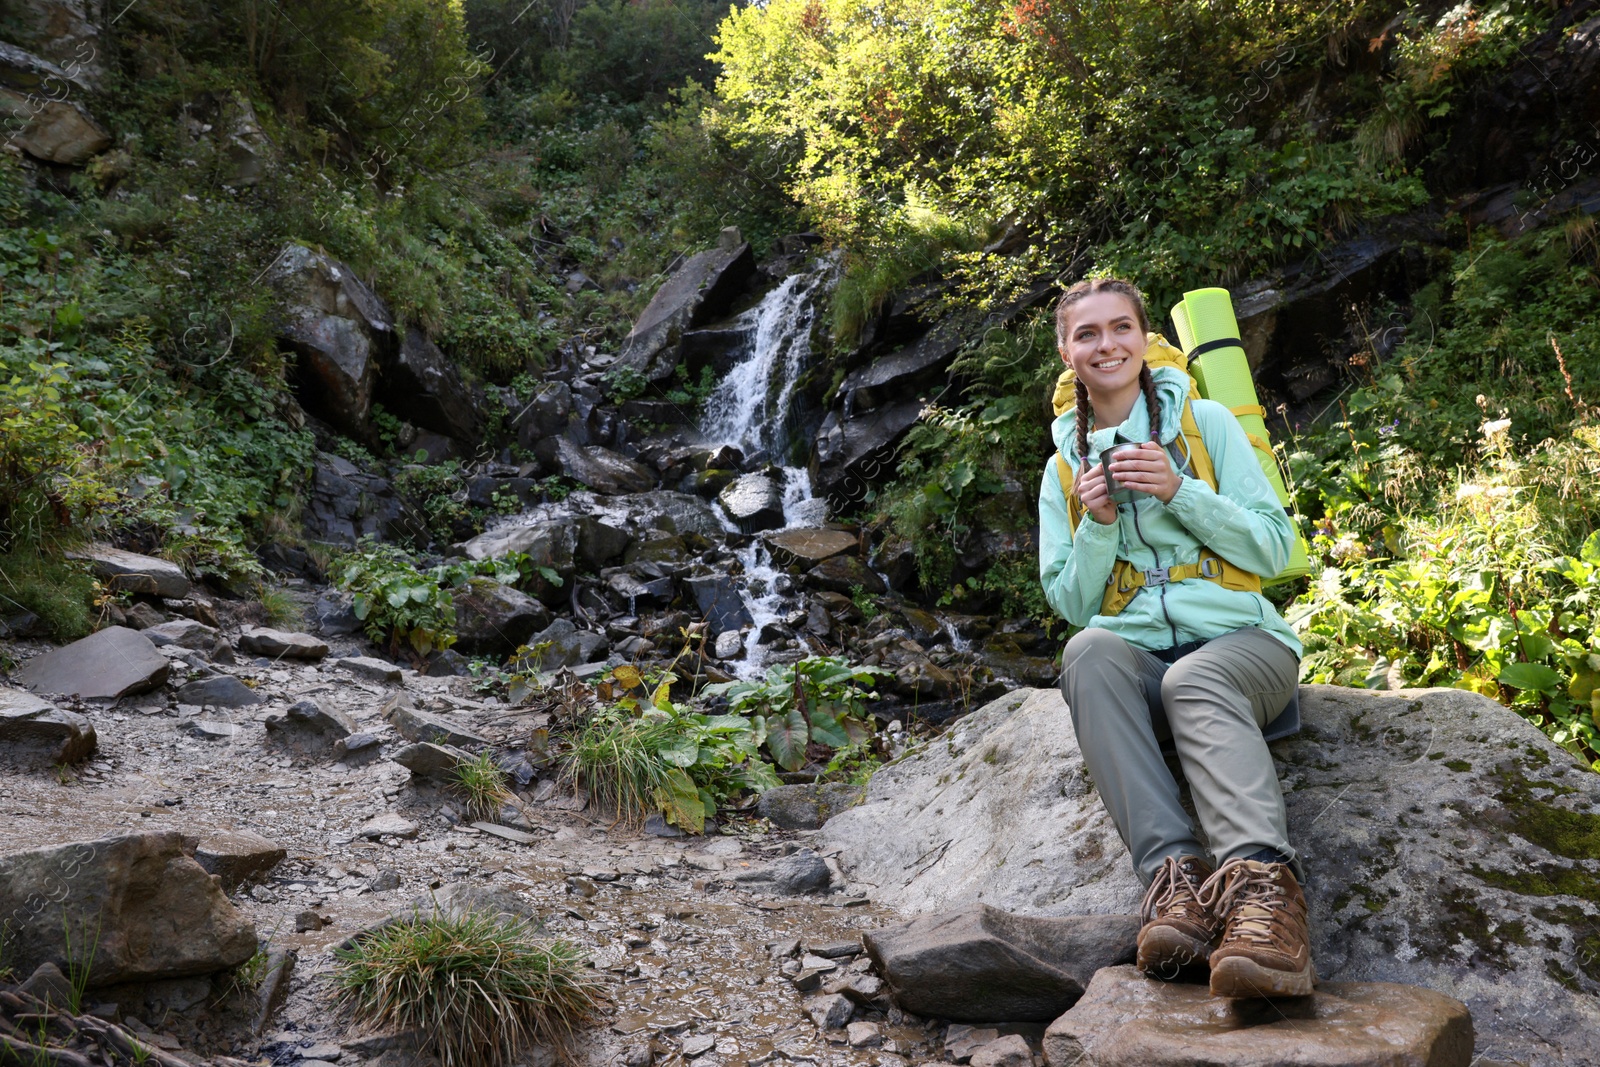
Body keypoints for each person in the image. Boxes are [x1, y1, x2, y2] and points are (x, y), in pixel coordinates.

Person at [1037, 276, 1313, 999]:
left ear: (1144, 336)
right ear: (1067, 350)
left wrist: (1179, 491)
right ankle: (1177, 886)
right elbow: (1070, 600)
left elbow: (1276, 548)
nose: (1107, 344)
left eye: (1120, 327)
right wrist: (1097, 526)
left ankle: (1263, 903)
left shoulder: (1208, 424)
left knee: (1195, 677)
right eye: (1087, 333)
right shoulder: (1064, 464)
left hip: (1244, 648)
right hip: (1138, 662)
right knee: (1086, 652)